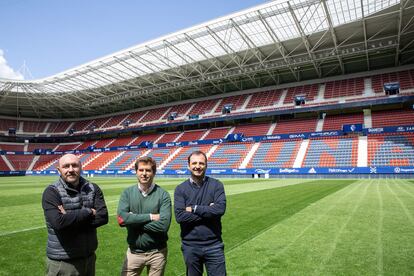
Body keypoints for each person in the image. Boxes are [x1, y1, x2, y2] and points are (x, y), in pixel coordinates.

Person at [42, 153, 108, 276]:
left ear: (81, 167)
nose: (71, 170)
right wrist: (89, 211)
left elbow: (103, 217)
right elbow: (59, 223)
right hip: (63, 263)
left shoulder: (93, 188)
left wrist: (69, 217)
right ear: (59, 170)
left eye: (74, 165)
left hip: (88, 259)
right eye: (66, 166)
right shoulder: (51, 192)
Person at [174, 150, 227, 276]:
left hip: (214, 245)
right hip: (190, 246)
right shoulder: (180, 189)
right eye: (194, 163)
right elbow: (180, 217)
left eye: (201, 163)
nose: (197, 166)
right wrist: (209, 212)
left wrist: (193, 208)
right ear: (188, 165)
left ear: (206, 165)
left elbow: (220, 209)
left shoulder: (216, 185)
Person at [117, 156, 172, 276]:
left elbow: (163, 226)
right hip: (134, 252)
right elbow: (122, 219)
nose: (144, 173)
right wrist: (151, 217)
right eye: (141, 170)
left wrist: (133, 220)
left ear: (154, 172)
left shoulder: (163, 195)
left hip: (157, 253)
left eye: (148, 170)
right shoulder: (127, 193)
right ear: (136, 172)